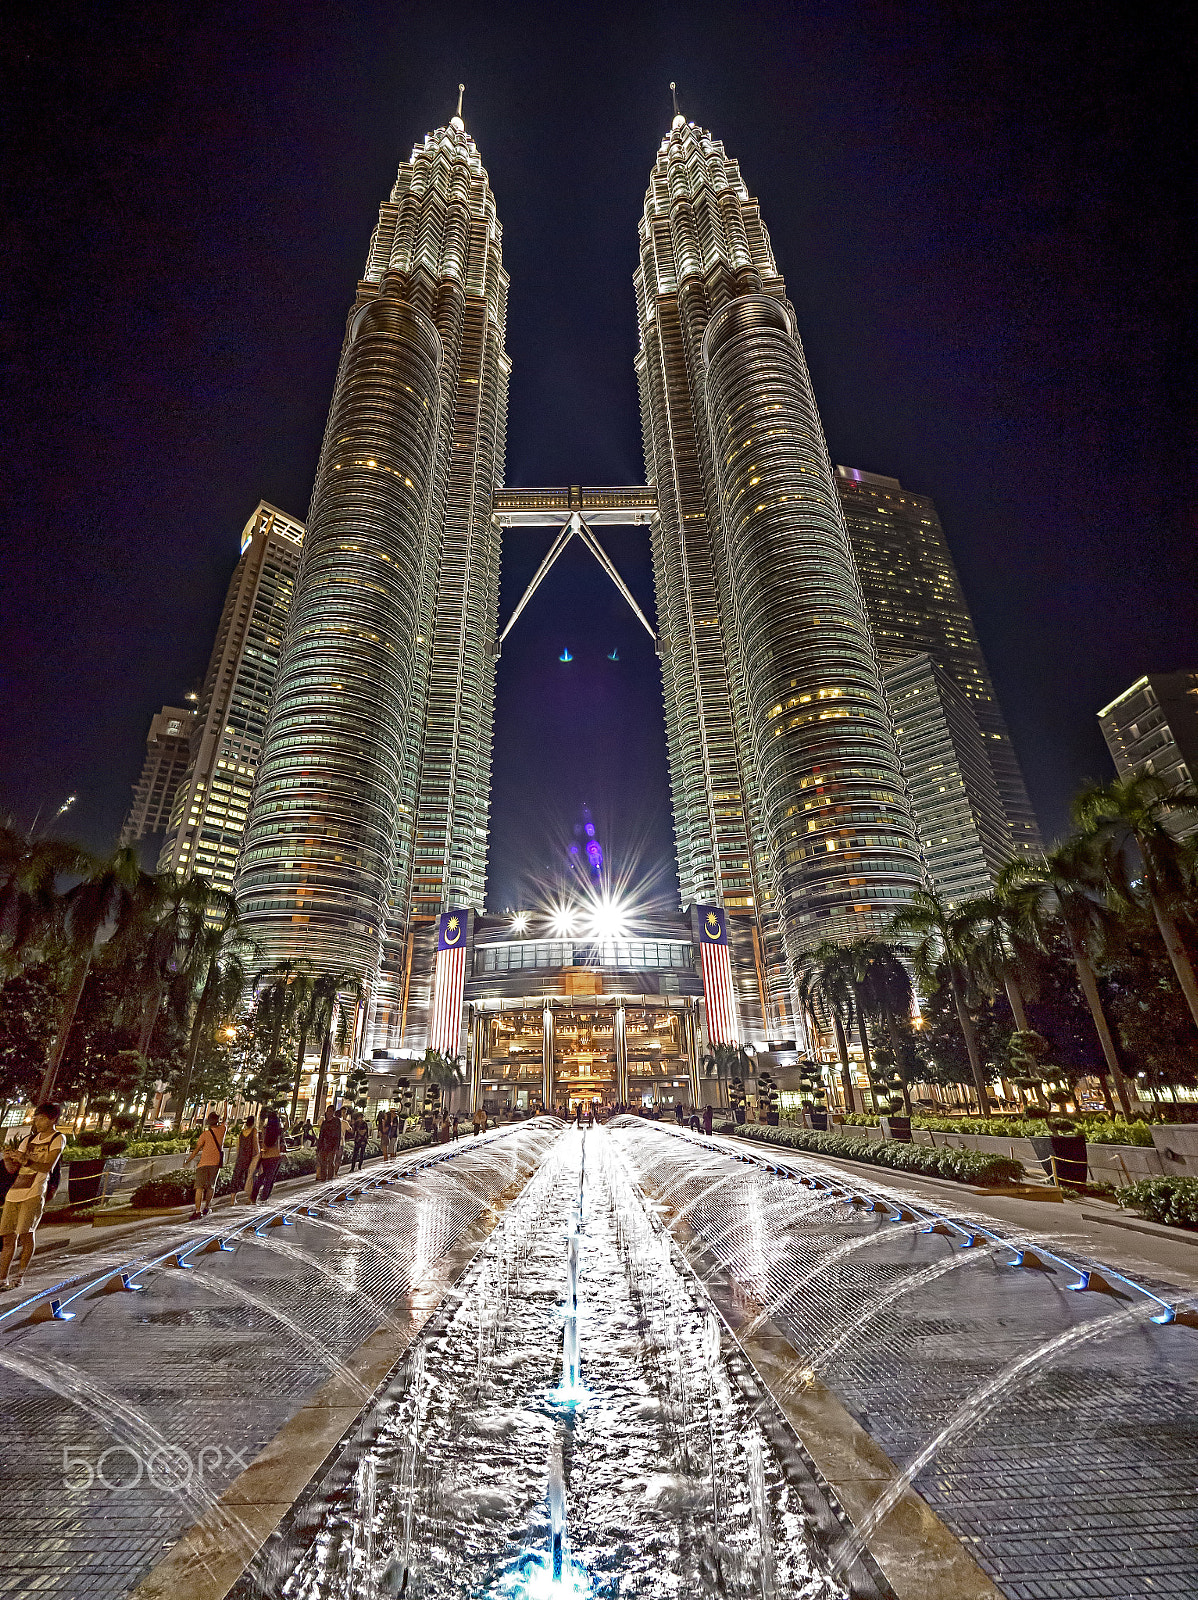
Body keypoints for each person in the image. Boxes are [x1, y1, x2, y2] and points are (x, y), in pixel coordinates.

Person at [0, 1103, 66, 1289]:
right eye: (36, 1117)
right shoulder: (28, 1140)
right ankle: (2, 1278)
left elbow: (47, 1167)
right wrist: (8, 1160)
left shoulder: (57, 1138)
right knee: (7, 1237)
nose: (37, 1121)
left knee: (25, 1234)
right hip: (15, 1192)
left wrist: (26, 1160)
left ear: (52, 1119)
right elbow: (14, 1169)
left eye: (42, 1118)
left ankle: (19, 1276)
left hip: (35, 1191)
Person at [184, 1109, 226, 1219]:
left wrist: (188, 1160)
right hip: (215, 1163)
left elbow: (197, 1149)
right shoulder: (222, 1130)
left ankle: (197, 1211)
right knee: (211, 1186)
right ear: (217, 1121)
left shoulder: (205, 1134)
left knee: (199, 1188)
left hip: (203, 1164)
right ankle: (207, 1207)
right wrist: (225, 1106)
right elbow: (225, 1120)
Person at [251, 1107, 287, 1203]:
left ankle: (253, 1197)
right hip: (275, 1156)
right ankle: (264, 1197)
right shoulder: (279, 1130)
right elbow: (287, 1126)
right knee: (270, 1179)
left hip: (265, 1155)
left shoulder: (265, 1129)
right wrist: (285, 1116)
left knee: (261, 1177)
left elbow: (262, 1141)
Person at [230, 1115, 259, 1203]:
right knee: (249, 1177)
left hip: (241, 1157)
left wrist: (239, 1156)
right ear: (253, 1122)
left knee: (236, 1177)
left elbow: (238, 1147)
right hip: (250, 1157)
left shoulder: (242, 1133)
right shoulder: (254, 1131)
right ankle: (249, 1198)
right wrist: (258, 1154)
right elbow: (255, 1143)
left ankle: (232, 1199)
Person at [316, 1106, 342, 1181]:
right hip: (324, 1144)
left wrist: (337, 1146)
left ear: (333, 1112)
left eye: (330, 1111)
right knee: (323, 1161)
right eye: (328, 1111)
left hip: (332, 1145)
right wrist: (319, 1146)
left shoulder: (336, 1121)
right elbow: (321, 1135)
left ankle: (330, 1176)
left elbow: (338, 1134)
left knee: (330, 1161)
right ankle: (323, 1176)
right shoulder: (324, 1122)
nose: (328, 1113)